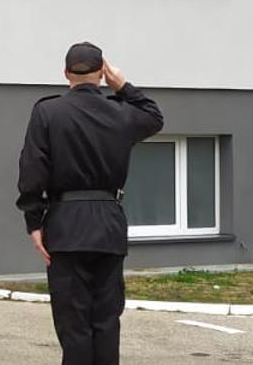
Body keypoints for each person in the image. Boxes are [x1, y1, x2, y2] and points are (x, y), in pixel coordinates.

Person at [16, 43, 163, 365]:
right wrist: (123, 86)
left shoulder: (48, 111)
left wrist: (34, 221)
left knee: (74, 326)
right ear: (101, 73)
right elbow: (154, 117)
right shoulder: (122, 112)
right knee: (106, 321)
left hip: (65, 225)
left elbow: (32, 169)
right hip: (108, 224)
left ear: (65, 73)